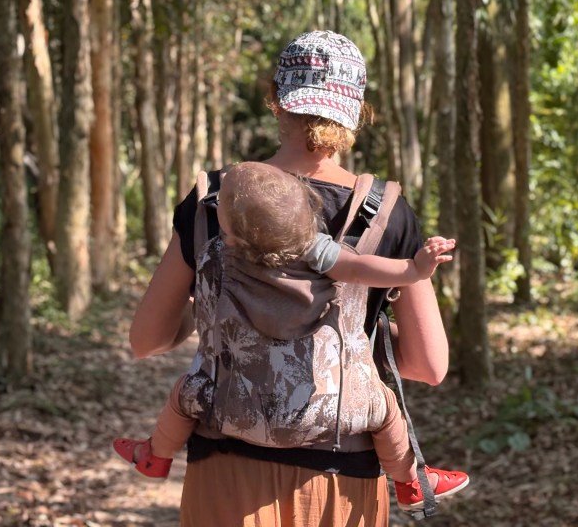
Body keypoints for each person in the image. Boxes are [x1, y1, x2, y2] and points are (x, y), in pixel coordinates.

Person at [129, 30, 457, 525]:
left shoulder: (213, 203)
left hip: (225, 469)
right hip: (343, 477)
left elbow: (146, 339)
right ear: (356, 113)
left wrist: (211, 311)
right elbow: (428, 366)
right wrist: (361, 332)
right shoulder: (387, 215)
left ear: (277, 101)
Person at [114, 161, 468, 512]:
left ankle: (155, 456)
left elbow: (146, 341)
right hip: (337, 453)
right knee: (386, 407)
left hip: (228, 443)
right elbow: (426, 363)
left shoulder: (221, 251)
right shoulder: (328, 244)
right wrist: (414, 269)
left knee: (184, 394)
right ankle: (411, 481)